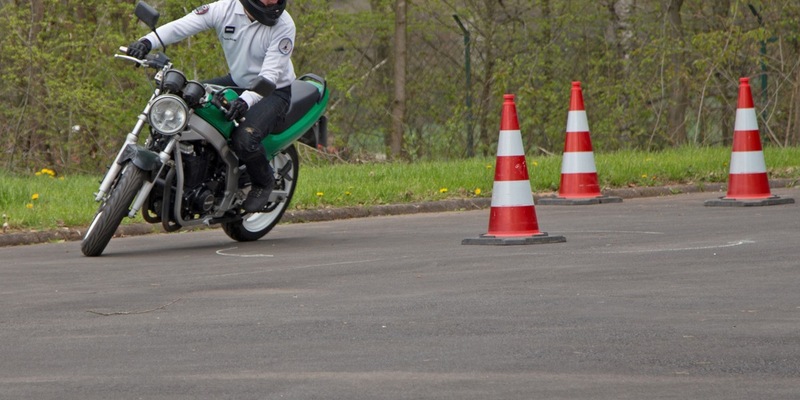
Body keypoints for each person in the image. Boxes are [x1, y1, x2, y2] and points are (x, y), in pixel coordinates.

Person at [127, 0, 295, 213]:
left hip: (273, 91)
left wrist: (246, 101)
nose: (272, 1)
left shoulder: (284, 25)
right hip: (237, 81)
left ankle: (263, 182)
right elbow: (182, 25)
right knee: (184, 99)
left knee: (244, 139)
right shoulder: (223, 9)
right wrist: (147, 41)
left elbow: (270, 75)